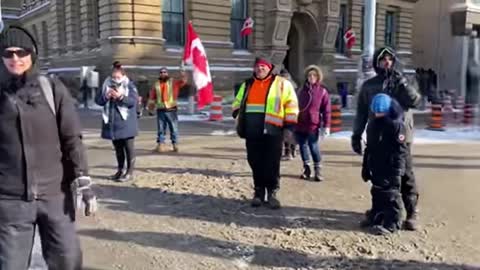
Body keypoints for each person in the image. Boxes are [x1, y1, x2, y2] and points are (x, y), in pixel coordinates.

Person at [0, 25, 96, 270]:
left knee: (68, 260)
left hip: (55, 197)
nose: (15, 59)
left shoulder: (52, 89)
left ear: (32, 54)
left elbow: (72, 138)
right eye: (8, 53)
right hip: (10, 202)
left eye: (21, 52)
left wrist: (83, 179)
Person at [352, 46, 422, 231]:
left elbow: (415, 101)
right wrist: (356, 134)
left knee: (405, 174)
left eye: (390, 59)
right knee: (379, 174)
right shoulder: (369, 85)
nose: (387, 62)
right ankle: (381, 210)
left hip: (400, 136)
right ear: (377, 63)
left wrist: (403, 85)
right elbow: (361, 112)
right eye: (383, 59)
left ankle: (412, 210)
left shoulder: (403, 81)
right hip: (377, 136)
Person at [232, 57, 299, 209]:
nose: (260, 69)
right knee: (255, 161)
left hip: (274, 130)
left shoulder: (282, 84)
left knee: (272, 163)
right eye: (258, 66)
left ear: (270, 68)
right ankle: (259, 192)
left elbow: (292, 105)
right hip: (252, 131)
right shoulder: (247, 84)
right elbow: (237, 102)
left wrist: (289, 126)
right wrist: (237, 113)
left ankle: (272, 192)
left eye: (263, 66)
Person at [361, 94, 407, 235]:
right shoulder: (372, 124)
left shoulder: (396, 125)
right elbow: (369, 147)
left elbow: (400, 151)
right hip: (376, 164)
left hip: (390, 166)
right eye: (376, 111)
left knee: (391, 194)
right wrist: (366, 167)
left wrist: (398, 170)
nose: (378, 114)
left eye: (381, 111)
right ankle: (377, 215)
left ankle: (393, 222)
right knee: (377, 191)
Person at [96, 62, 139, 182]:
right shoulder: (106, 85)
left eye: (118, 77)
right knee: (118, 149)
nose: (115, 80)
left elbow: (132, 102)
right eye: (113, 77)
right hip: (113, 124)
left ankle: (129, 172)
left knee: (128, 148)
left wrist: (120, 97)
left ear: (123, 76)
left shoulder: (129, 85)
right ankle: (120, 170)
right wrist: (106, 96)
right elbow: (98, 100)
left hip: (127, 123)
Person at [294, 65, 331, 182]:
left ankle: (318, 169)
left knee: (313, 146)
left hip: (312, 124)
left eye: (314, 75)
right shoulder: (300, 90)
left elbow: (327, 110)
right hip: (300, 123)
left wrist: (327, 126)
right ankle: (306, 168)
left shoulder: (322, 91)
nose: (311, 77)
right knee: (302, 146)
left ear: (318, 77)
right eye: (309, 75)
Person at [147, 67, 183, 153]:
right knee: (161, 129)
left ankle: (175, 145)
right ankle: (161, 145)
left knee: (173, 128)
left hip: (171, 110)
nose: (163, 74)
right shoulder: (156, 84)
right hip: (161, 110)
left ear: (167, 73)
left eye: (164, 72)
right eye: (161, 72)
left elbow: (182, 82)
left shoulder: (173, 82)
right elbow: (152, 97)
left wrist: (183, 74)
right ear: (159, 74)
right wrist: (150, 109)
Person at [279, 69, 298, 161]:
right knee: (290, 133)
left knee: (287, 134)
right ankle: (292, 151)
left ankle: (288, 152)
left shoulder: (286, 86)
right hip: (290, 113)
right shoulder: (293, 86)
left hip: (289, 112)